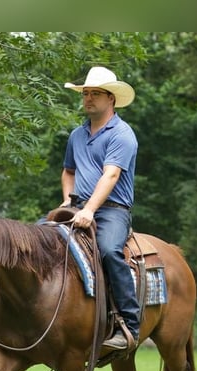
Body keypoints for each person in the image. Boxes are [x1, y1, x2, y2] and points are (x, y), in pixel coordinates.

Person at [60, 66, 140, 351]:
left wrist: (90, 210)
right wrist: (69, 201)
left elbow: (111, 175)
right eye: (85, 93)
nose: (88, 98)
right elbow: (68, 172)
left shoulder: (122, 134)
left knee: (108, 250)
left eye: (95, 94)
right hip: (79, 207)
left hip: (113, 210)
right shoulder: (76, 135)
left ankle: (129, 326)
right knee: (39, 242)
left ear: (111, 99)